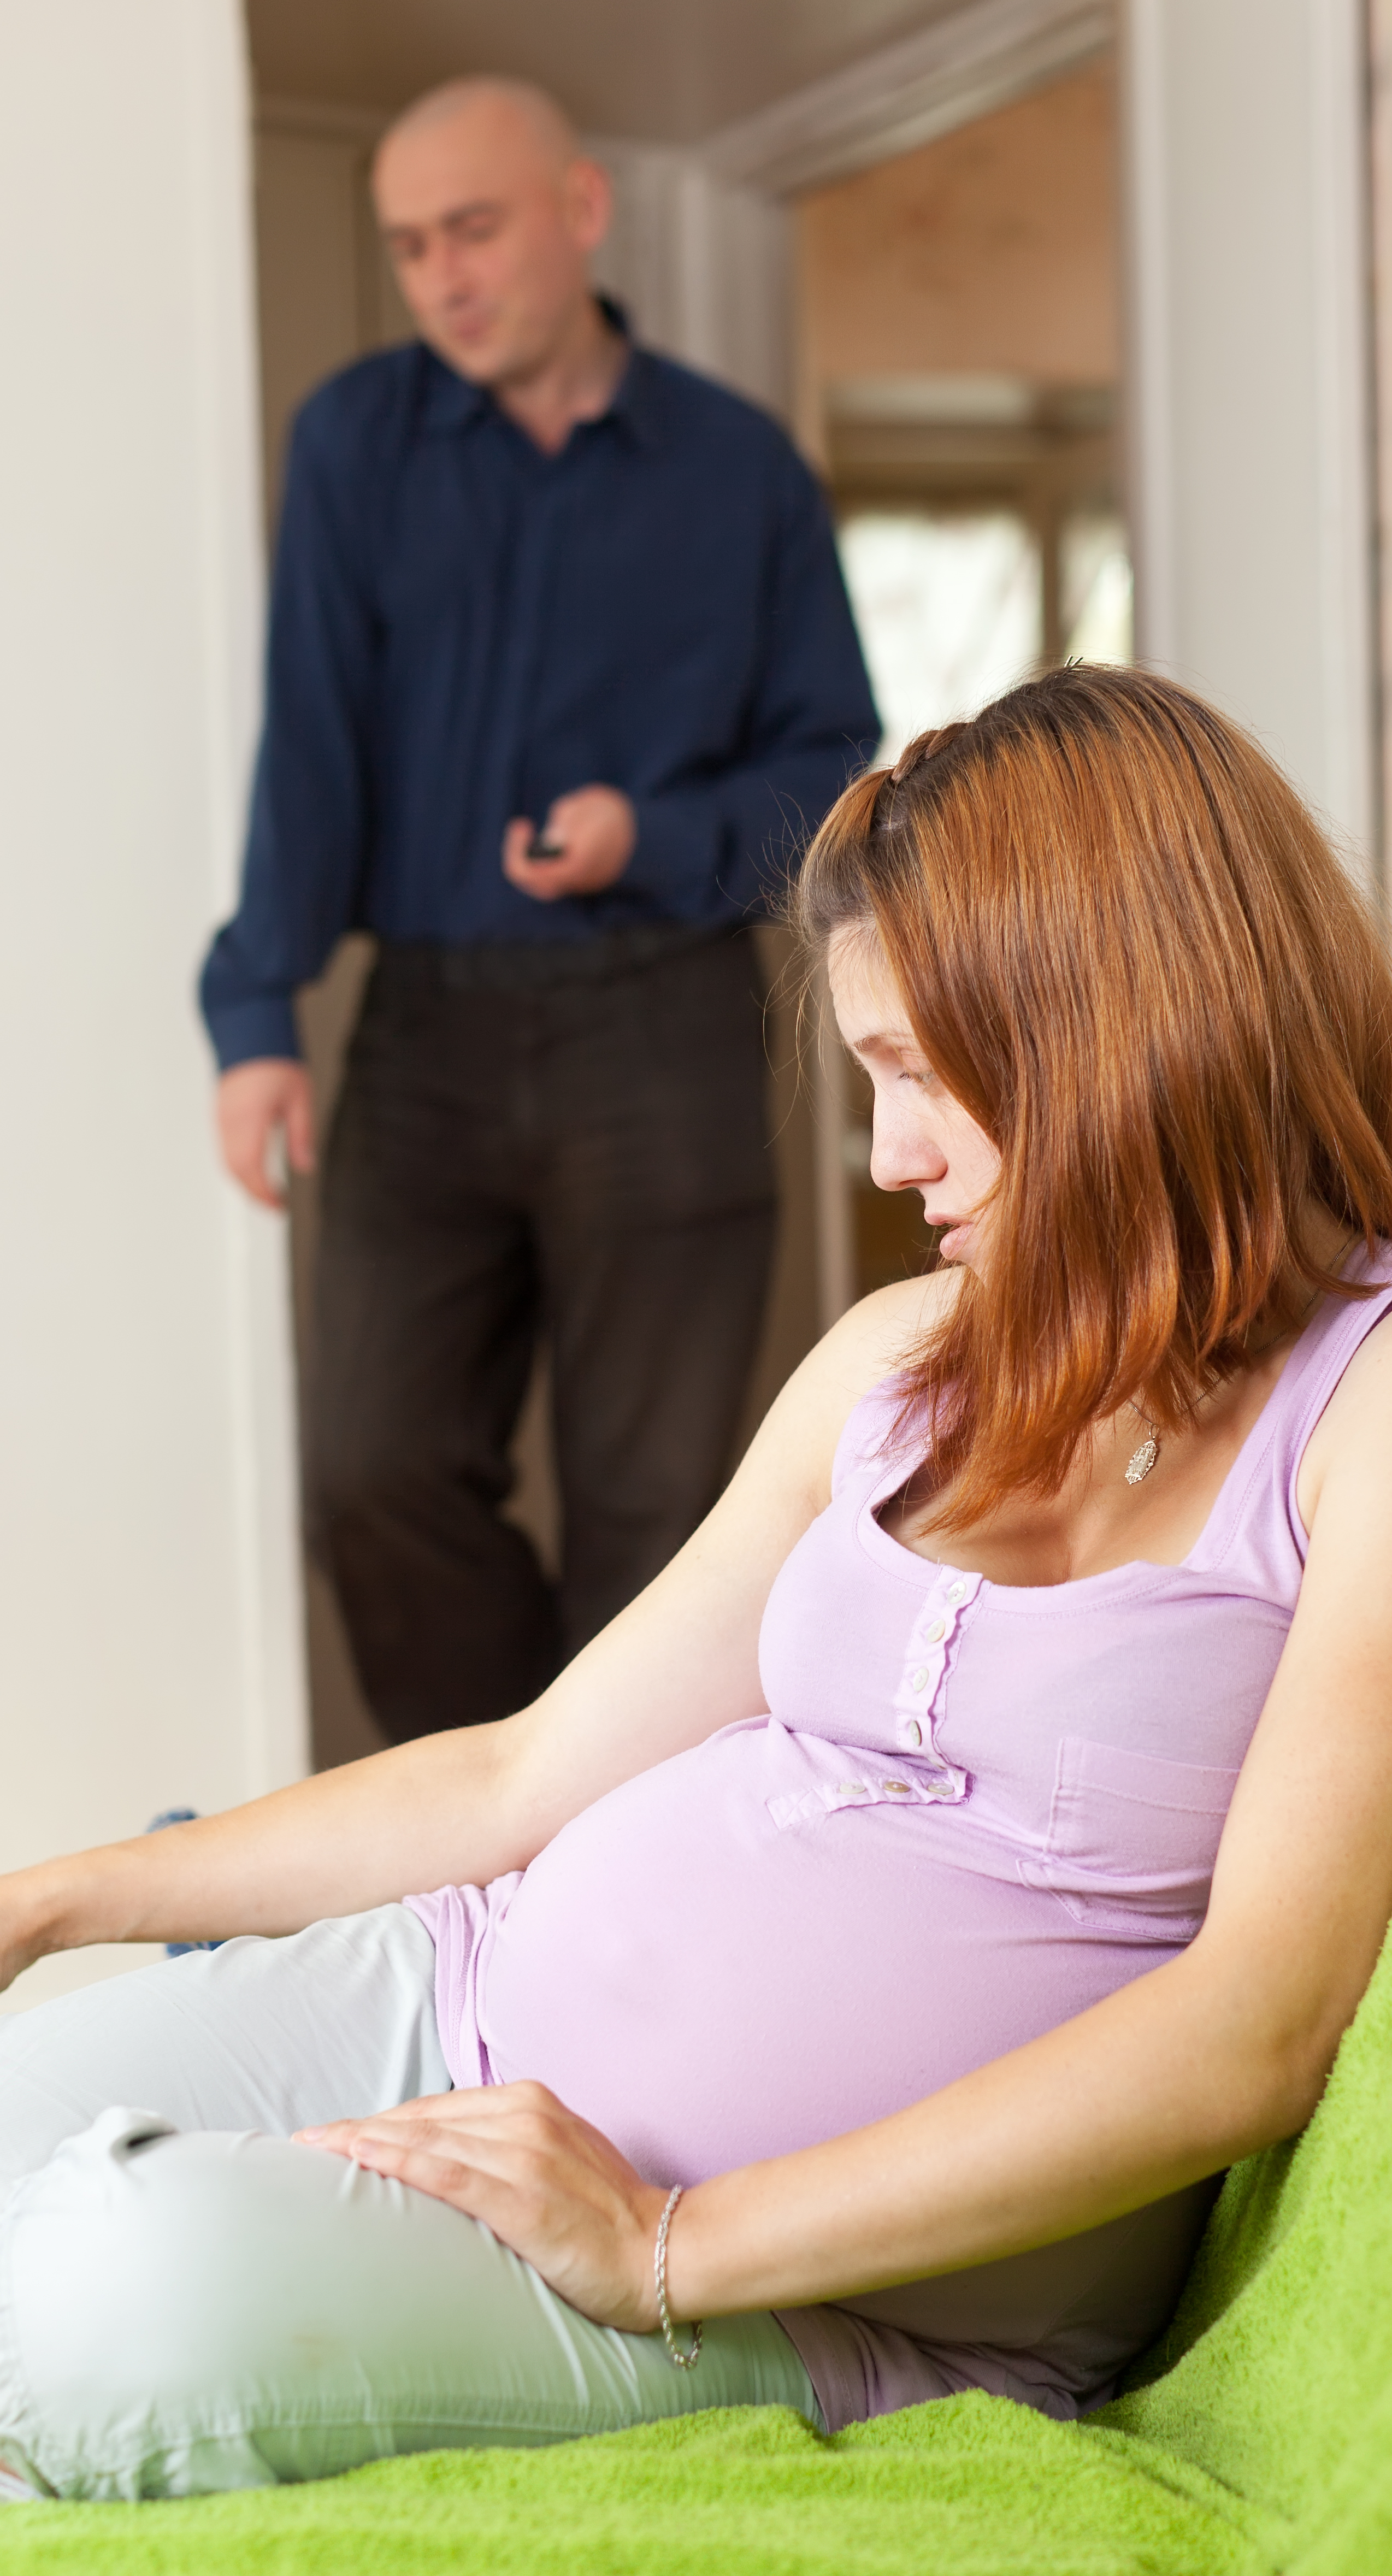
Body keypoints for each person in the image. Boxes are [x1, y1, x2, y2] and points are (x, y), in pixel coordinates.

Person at [0, 669, 1392, 2504]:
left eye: (923, 1073)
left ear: (1115, 1023)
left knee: (102, 2305)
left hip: (801, 2290)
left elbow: (1258, 2020)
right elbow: (518, 1776)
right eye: (871, 1076)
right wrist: (53, 1899)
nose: (888, 1156)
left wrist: (674, 2239)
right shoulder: (909, 1352)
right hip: (465, 1987)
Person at [202, 78, 878, 1741]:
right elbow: (311, 743)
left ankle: (607, 1873)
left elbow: (836, 774)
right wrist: (258, 1008)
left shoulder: (743, 472)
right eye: (409, 245)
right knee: (370, 1467)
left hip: (667, 1020)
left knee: (657, 1515)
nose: (441, 275)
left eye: (475, 229)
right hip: (423, 1030)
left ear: (581, 210)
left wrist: (649, 832)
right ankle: (502, 1818)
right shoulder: (355, 444)